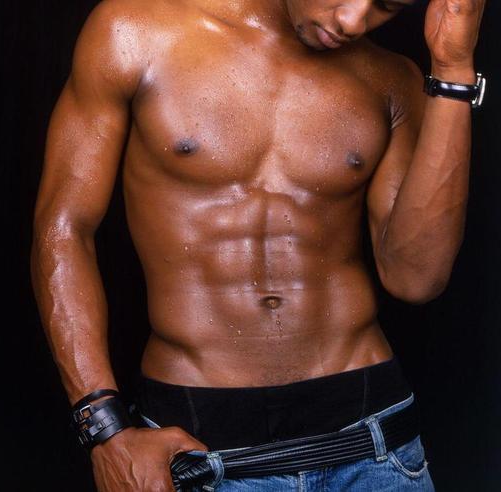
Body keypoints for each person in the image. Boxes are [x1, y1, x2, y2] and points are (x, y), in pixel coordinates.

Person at [30, 0, 486, 490]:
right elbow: (64, 227)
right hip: (200, 452)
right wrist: (103, 428)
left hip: (373, 450)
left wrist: (453, 71)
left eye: (386, 7)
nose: (354, 20)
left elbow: (416, 278)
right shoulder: (134, 32)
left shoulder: (391, 80)